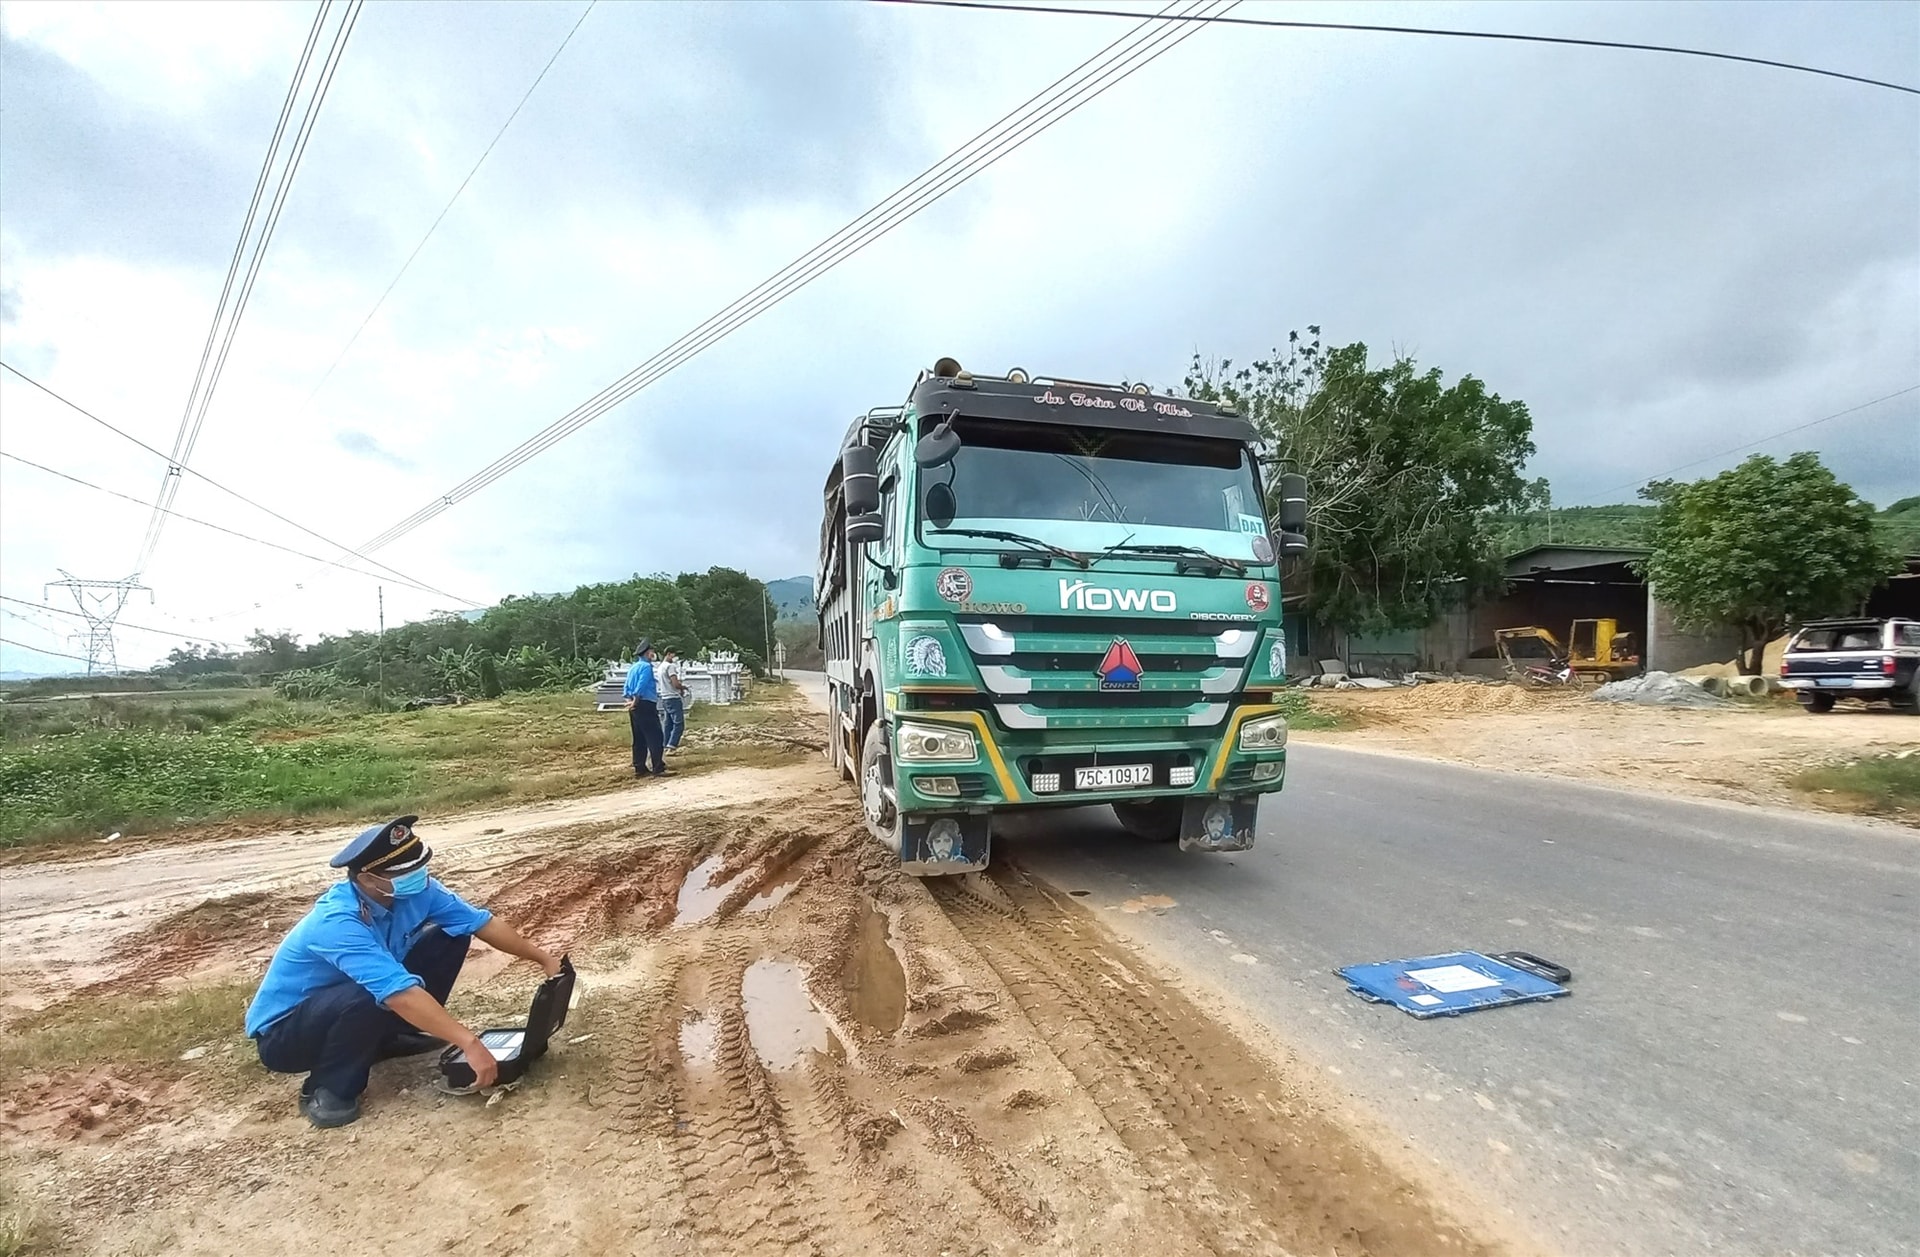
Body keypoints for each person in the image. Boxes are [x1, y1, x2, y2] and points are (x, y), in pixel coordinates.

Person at [245, 815, 563, 1129]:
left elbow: (481, 923)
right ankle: (328, 1086)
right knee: (373, 993)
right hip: (286, 1035)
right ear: (367, 879)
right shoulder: (338, 921)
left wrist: (543, 959)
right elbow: (396, 992)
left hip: (348, 1004)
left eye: (418, 867)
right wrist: (468, 1042)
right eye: (404, 873)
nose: (418, 876)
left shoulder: (417, 891)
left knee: (448, 937)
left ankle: (393, 1036)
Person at [624, 638, 668, 778]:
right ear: (648, 653)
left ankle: (640, 767)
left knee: (639, 738)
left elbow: (626, 688)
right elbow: (641, 686)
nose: (653, 654)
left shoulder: (633, 667)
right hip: (645, 703)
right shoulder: (646, 667)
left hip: (634, 706)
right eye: (652, 652)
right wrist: (636, 700)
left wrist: (630, 702)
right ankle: (658, 767)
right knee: (655, 736)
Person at [657, 647, 687, 753]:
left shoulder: (660, 667)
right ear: (669, 654)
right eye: (675, 655)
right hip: (673, 697)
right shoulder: (670, 667)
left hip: (664, 697)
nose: (676, 658)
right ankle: (672, 744)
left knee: (668, 723)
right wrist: (683, 687)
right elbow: (675, 683)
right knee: (678, 723)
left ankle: (665, 743)